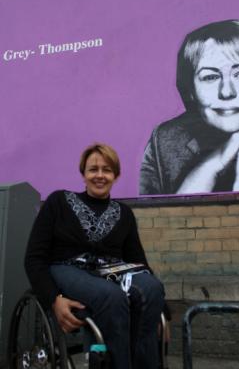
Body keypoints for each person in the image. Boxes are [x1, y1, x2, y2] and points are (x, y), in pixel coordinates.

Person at [25, 143, 165, 369]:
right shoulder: (58, 202)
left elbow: (138, 261)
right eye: (93, 169)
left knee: (151, 288)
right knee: (110, 296)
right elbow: (34, 258)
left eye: (107, 170)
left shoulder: (124, 213)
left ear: (115, 176)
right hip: (67, 268)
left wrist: (161, 310)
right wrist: (53, 299)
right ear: (83, 174)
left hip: (114, 270)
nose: (100, 175)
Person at [140, 19, 239, 195]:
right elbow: (166, 220)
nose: (227, 92)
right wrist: (215, 161)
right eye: (210, 77)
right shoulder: (165, 139)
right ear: (191, 91)